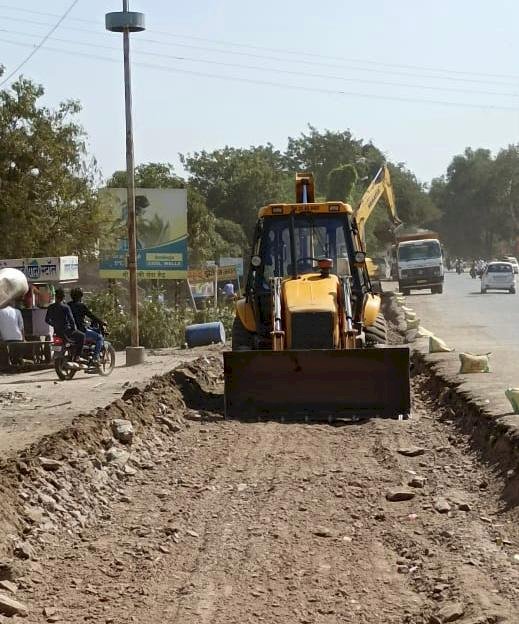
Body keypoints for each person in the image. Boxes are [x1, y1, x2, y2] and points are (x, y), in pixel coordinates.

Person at [45, 288, 85, 369]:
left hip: (57, 332)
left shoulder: (50, 307)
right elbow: (71, 320)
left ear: (55, 297)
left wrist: (54, 325)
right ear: (63, 297)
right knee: (82, 336)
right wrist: (74, 329)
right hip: (67, 331)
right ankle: (77, 356)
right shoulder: (65, 307)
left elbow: (47, 320)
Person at [68, 288, 105, 365]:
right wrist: (101, 322)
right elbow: (91, 316)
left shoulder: (68, 305)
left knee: (90, 330)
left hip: (70, 331)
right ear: (80, 296)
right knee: (99, 338)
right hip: (81, 330)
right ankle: (95, 359)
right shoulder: (81, 306)